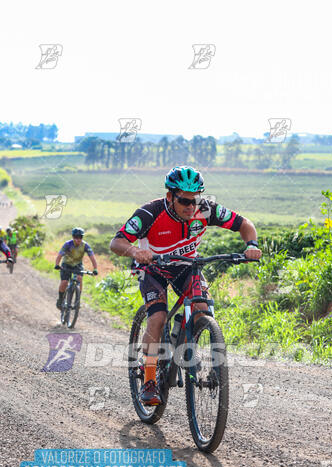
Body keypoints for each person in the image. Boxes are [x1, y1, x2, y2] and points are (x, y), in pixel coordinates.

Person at [110, 165, 262, 406]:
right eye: (184, 201)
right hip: (152, 268)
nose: (191, 207)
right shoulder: (149, 213)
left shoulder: (205, 209)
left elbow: (245, 224)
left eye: (194, 200)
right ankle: (149, 379)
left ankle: (188, 335)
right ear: (170, 196)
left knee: (203, 307)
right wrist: (136, 250)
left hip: (185, 266)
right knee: (157, 317)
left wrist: (251, 244)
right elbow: (116, 242)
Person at [54, 227, 98, 309]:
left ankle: (77, 300)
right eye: (76, 237)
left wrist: (95, 269)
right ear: (73, 237)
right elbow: (59, 255)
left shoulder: (85, 245)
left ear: (82, 237)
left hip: (77, 265)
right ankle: (60, 299)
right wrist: (57, 264)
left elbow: (92, 257)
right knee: (64, 282)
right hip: (66, 264)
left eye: (80, 237)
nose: (78, 239)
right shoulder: (68, 244)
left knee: (79, 278)